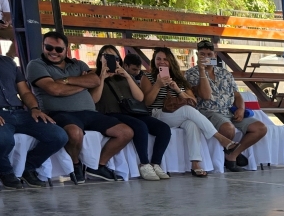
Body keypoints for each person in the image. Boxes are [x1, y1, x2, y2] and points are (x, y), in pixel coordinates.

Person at [26, 31, 134, 184]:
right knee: (74, 133)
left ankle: (98, 166)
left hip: (89, 112)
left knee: (126, 132)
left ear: (66, 49)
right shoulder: (36, 65)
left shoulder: (78, 64)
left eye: (58, 49)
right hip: (59, 113)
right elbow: (55, 90)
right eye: (49, 47)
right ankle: (76, 164)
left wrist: (65, 80)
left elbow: (96, 80)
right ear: (43, 46)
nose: (53, 52)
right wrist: (82, 84)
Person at [143, 47, 238, 177]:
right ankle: (220, 138)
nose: (161, 62)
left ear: (171, 61)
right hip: (158, 114)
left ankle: (195, 164)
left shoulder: (180, 78)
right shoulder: (148, 77)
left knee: (191, 123)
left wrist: (177, 89)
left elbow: (192, 101)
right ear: (153, 61)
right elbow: (147, 102)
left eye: (165, 59)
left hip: (178, 114)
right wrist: (158, 85)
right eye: (158, 59)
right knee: (188, 111)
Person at [91, 45, 172, 181]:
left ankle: (156, 163)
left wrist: (127, 76)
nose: (112, 60)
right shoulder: (94, 76)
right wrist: (102, 77)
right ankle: (144, 164)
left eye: (115, 58)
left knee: (163, 128)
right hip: (110, 113)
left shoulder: (124, 76)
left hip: (132, 112)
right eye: (107, 57)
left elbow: (140, 97)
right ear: (100, 59)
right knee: (140, 126)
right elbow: (94, 99)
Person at [186, 40, 267, 171]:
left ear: (215, 55)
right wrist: (202, 71)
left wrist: (241, 109)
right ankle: (230, 154)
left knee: (260, 128)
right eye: (202, 54)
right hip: (208, 112)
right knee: (229, 129)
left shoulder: (225, 73)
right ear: (198, 55)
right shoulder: (191, 73)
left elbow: (237, 95)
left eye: (209, 54)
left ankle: (232, 155)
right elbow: (205, 96)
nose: (206, 57)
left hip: (229, 111)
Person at [0, 53, 69, 190]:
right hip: (1, 115)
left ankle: (28, 167)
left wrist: (35, 108)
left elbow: (25, 92)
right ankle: (5, 172)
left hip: (20, 112)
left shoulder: (9, 62)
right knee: (4, 140)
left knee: (59, 136)